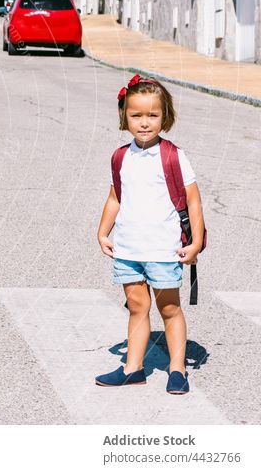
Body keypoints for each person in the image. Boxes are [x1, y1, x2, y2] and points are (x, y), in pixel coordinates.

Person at [95, 76, 204, 394]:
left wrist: (195, 243)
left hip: (163, 250)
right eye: (136, 115)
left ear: (164, 116)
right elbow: (116, 197)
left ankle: (178, 369)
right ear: (124, 117)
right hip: (128, 249)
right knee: (137, 307)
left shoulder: (173, 156)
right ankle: (133, 368)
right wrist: (103, 232)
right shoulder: (121, 157)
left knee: (169, 308)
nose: (144, 123)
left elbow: (193, 200)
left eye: (152, 115)